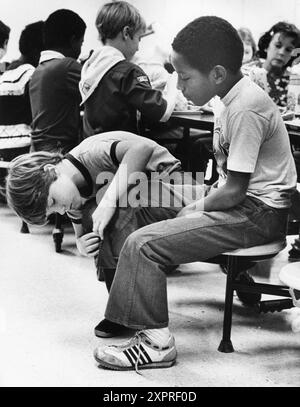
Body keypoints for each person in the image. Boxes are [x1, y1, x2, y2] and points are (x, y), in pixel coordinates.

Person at [92, 16, 297, 372]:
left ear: (216, 73)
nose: (180, 86)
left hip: (257, 213)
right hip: (237, 199)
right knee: (132, 195)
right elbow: (227, 185)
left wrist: (194, 209)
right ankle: (129, 307)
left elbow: (234, 191)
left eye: (185, 78)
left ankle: (156, 343)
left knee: (144, 243)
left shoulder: (246, 107)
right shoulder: (229, 98)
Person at [6, 131, 198, 337]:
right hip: (146, 201)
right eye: (53, 213)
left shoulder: (91, 154)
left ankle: (125, 309)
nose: (61, 210)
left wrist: (108, 201)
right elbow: (81, 229)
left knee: (108, 212)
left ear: (50, 170)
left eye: (53, 202)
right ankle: (122, 307)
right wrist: (81, 243)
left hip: (176, 188)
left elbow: (142, 150)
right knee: (97, 217)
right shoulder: (71, 194)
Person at [79, 1, 178, 138]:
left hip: (91, 149)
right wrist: (173, 81)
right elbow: (162, 113)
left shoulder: (89, 65)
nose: (138, 47)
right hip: (119, 152)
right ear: (126, 33)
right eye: (139, 38)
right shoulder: (128, 72)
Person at [29, 9, 86, 153]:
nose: (80, 48)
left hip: (39, 150)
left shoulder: (39, 70)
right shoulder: (67, 66)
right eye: (81, 43)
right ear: (73, 41)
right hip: (60, 151)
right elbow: (98, 90)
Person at [0, 21, 45, 200]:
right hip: (23, 150)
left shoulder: (7, 74)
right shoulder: (32, 74)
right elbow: (39, 115)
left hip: (2, 147)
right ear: (39, 50)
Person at [242, 21, 300, 107]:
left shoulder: (295, 80)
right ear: (267, 46)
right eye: (278, 45)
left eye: (288, 50)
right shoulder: (247, 73)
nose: (281, 53)